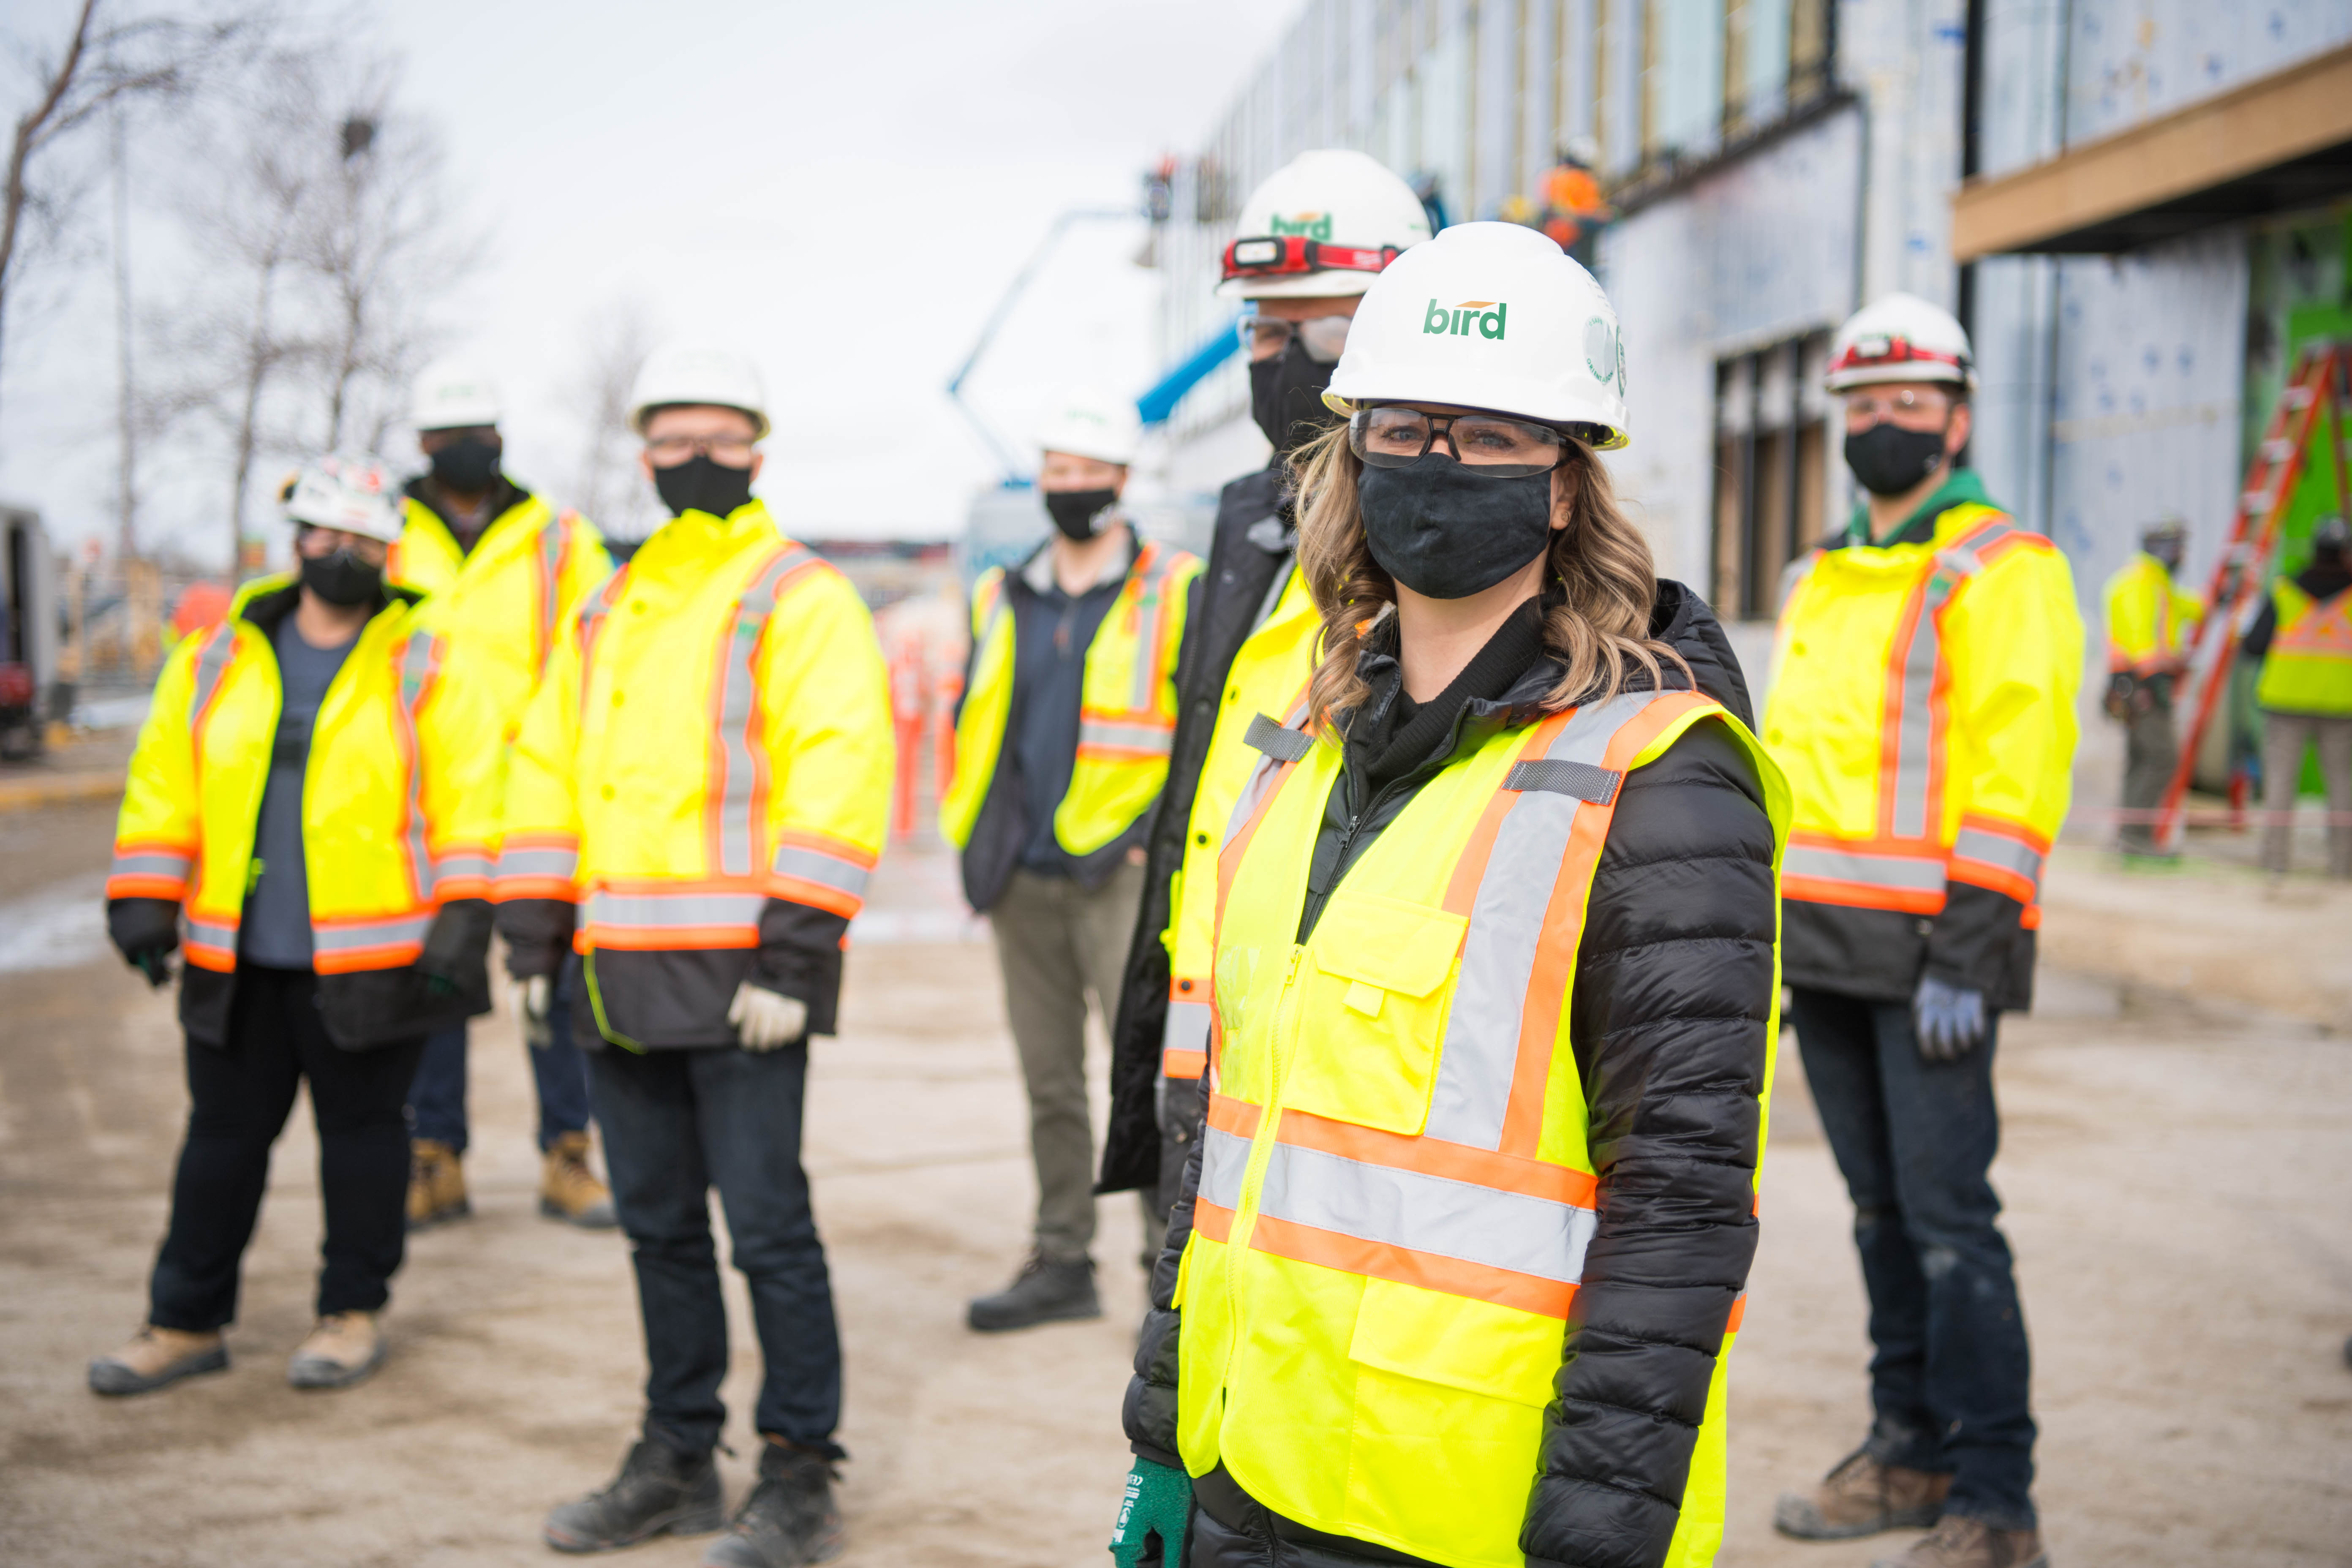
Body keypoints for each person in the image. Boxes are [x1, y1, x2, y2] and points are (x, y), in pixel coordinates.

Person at [1108, 221, 1788, 1568]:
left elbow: (1681, 1207)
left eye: (1488, 437)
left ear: (1560, 486)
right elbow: (1238, 1138)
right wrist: (1160, 1428)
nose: (1434, 462)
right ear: (1350, 457)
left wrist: (1598, 1530)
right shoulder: (1302, 747)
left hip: (1463, 1516)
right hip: (1249, 1467)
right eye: (1406, 427)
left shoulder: (1658, 777)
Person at [495, 344, 892, 1567]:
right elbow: (548, 764)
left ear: (757, 452)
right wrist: (530, 926)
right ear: (645, 457)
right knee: (659, 1228)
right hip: (618, 979)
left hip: (746, 983)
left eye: (717, 441)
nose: (694, 460)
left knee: (768, 1229)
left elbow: (841, 764)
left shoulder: (796, 590)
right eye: (671, 443)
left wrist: (795, 954)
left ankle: (800, 1473)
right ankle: (676, 1458)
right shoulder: (612, 604)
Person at [1766, 293, 2079, 1568]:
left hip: (1934, 957)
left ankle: (1994, 1499)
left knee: (1950, 1221)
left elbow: (2020, 765)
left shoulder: (2000, 566)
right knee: (1875, 1215)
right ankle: (1904, 1447)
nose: (1878, 424)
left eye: (1903, 403)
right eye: (1859, 406)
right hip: (1827, 946)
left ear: (1953, 419)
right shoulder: (1821, 573)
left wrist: (1969, 945)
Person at [89, 456, 496, 1397]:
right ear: (297, 539)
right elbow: (165, 783)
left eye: (362, 538)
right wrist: (144, 894)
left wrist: (466, 915)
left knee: (363, 1143)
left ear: (390, 550)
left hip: (372, 957)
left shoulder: (430, 660)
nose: (342, 551)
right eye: (325, 532)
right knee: (219, 1143)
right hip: (237, 954)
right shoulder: (215, 657)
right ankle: (183, 1320)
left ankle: (350, 1314)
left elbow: (472, 801)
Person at [1098, 148, 1429, 1239]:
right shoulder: (1245, 524)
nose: (1283, 360)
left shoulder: (1449, 535)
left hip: (1343, 1063)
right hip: (1205, 1034)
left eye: (1321, 329)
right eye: (1262, 332)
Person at [940, 387, 1203, 1332]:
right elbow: (979, 720)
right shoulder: (1000, 589)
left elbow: (1199, 729)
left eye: (1089, 475)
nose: (1072, 488)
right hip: (1024, 872)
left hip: (1122, 872)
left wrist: (1157, 843)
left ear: (1122, 483)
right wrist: (979, 843)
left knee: (1142, 1078)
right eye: (1058, 473)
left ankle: (1162, 1272)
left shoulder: (1175, 586)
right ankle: (1062, 1255)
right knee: (1048, 1078)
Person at [391, 357, 618, 1232]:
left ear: (502, 439)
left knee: (555, 990)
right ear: (422, 444)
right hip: (425, 808)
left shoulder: (558, 539)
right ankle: (434, 1157)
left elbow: (602, 650)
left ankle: (568, 1154)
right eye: (450, 437)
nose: (466, 448)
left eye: (479, 433)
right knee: (436, 983)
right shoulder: (387, 533)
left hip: (534, 804)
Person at [2242, 512, 2352, 877]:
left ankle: (2275, 864)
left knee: (2280, 786)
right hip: (2341, 705)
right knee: (2342, 788)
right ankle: (2343, 867)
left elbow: (2254, 646)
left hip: (2285, 703)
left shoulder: (2284, 590)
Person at [2100, 520, 2202, 855]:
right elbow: (2141, 639)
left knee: (2141, 758)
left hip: (2137, 685)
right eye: (2179, 549)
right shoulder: (2139, 584)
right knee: (2161, 758)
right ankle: (2137, 837)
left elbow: (2187, 608)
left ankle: (2130, 835)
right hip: (2142, 686)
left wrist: (2218, 598)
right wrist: (2155, 682)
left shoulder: (2156, 583)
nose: (2183, 557)